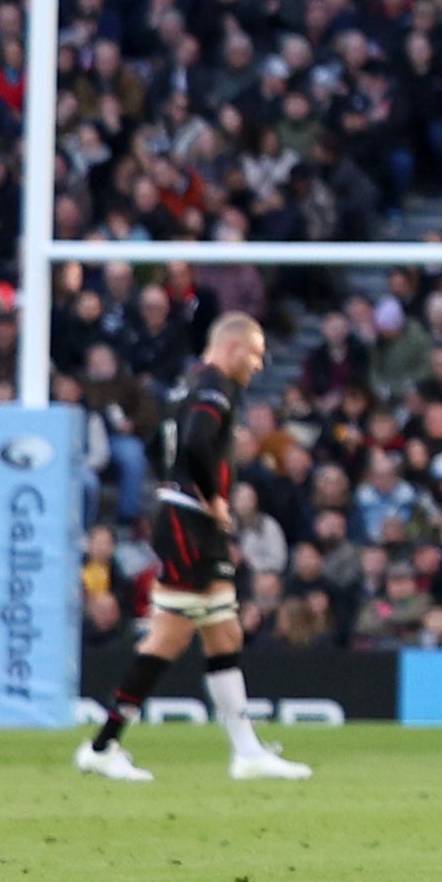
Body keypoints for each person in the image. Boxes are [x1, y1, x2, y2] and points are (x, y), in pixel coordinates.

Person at [78, 311, 312, 783]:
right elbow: (198, 442)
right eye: (255, 354)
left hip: (185, 516)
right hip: (191, 521)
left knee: (224, 634)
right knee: (168, 638)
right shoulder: (213, 388)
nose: (260, 365)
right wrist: (213, 496)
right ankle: (102, 746)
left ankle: (246, 752)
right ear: (231, 348)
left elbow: (158, 447)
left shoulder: (187, 385)